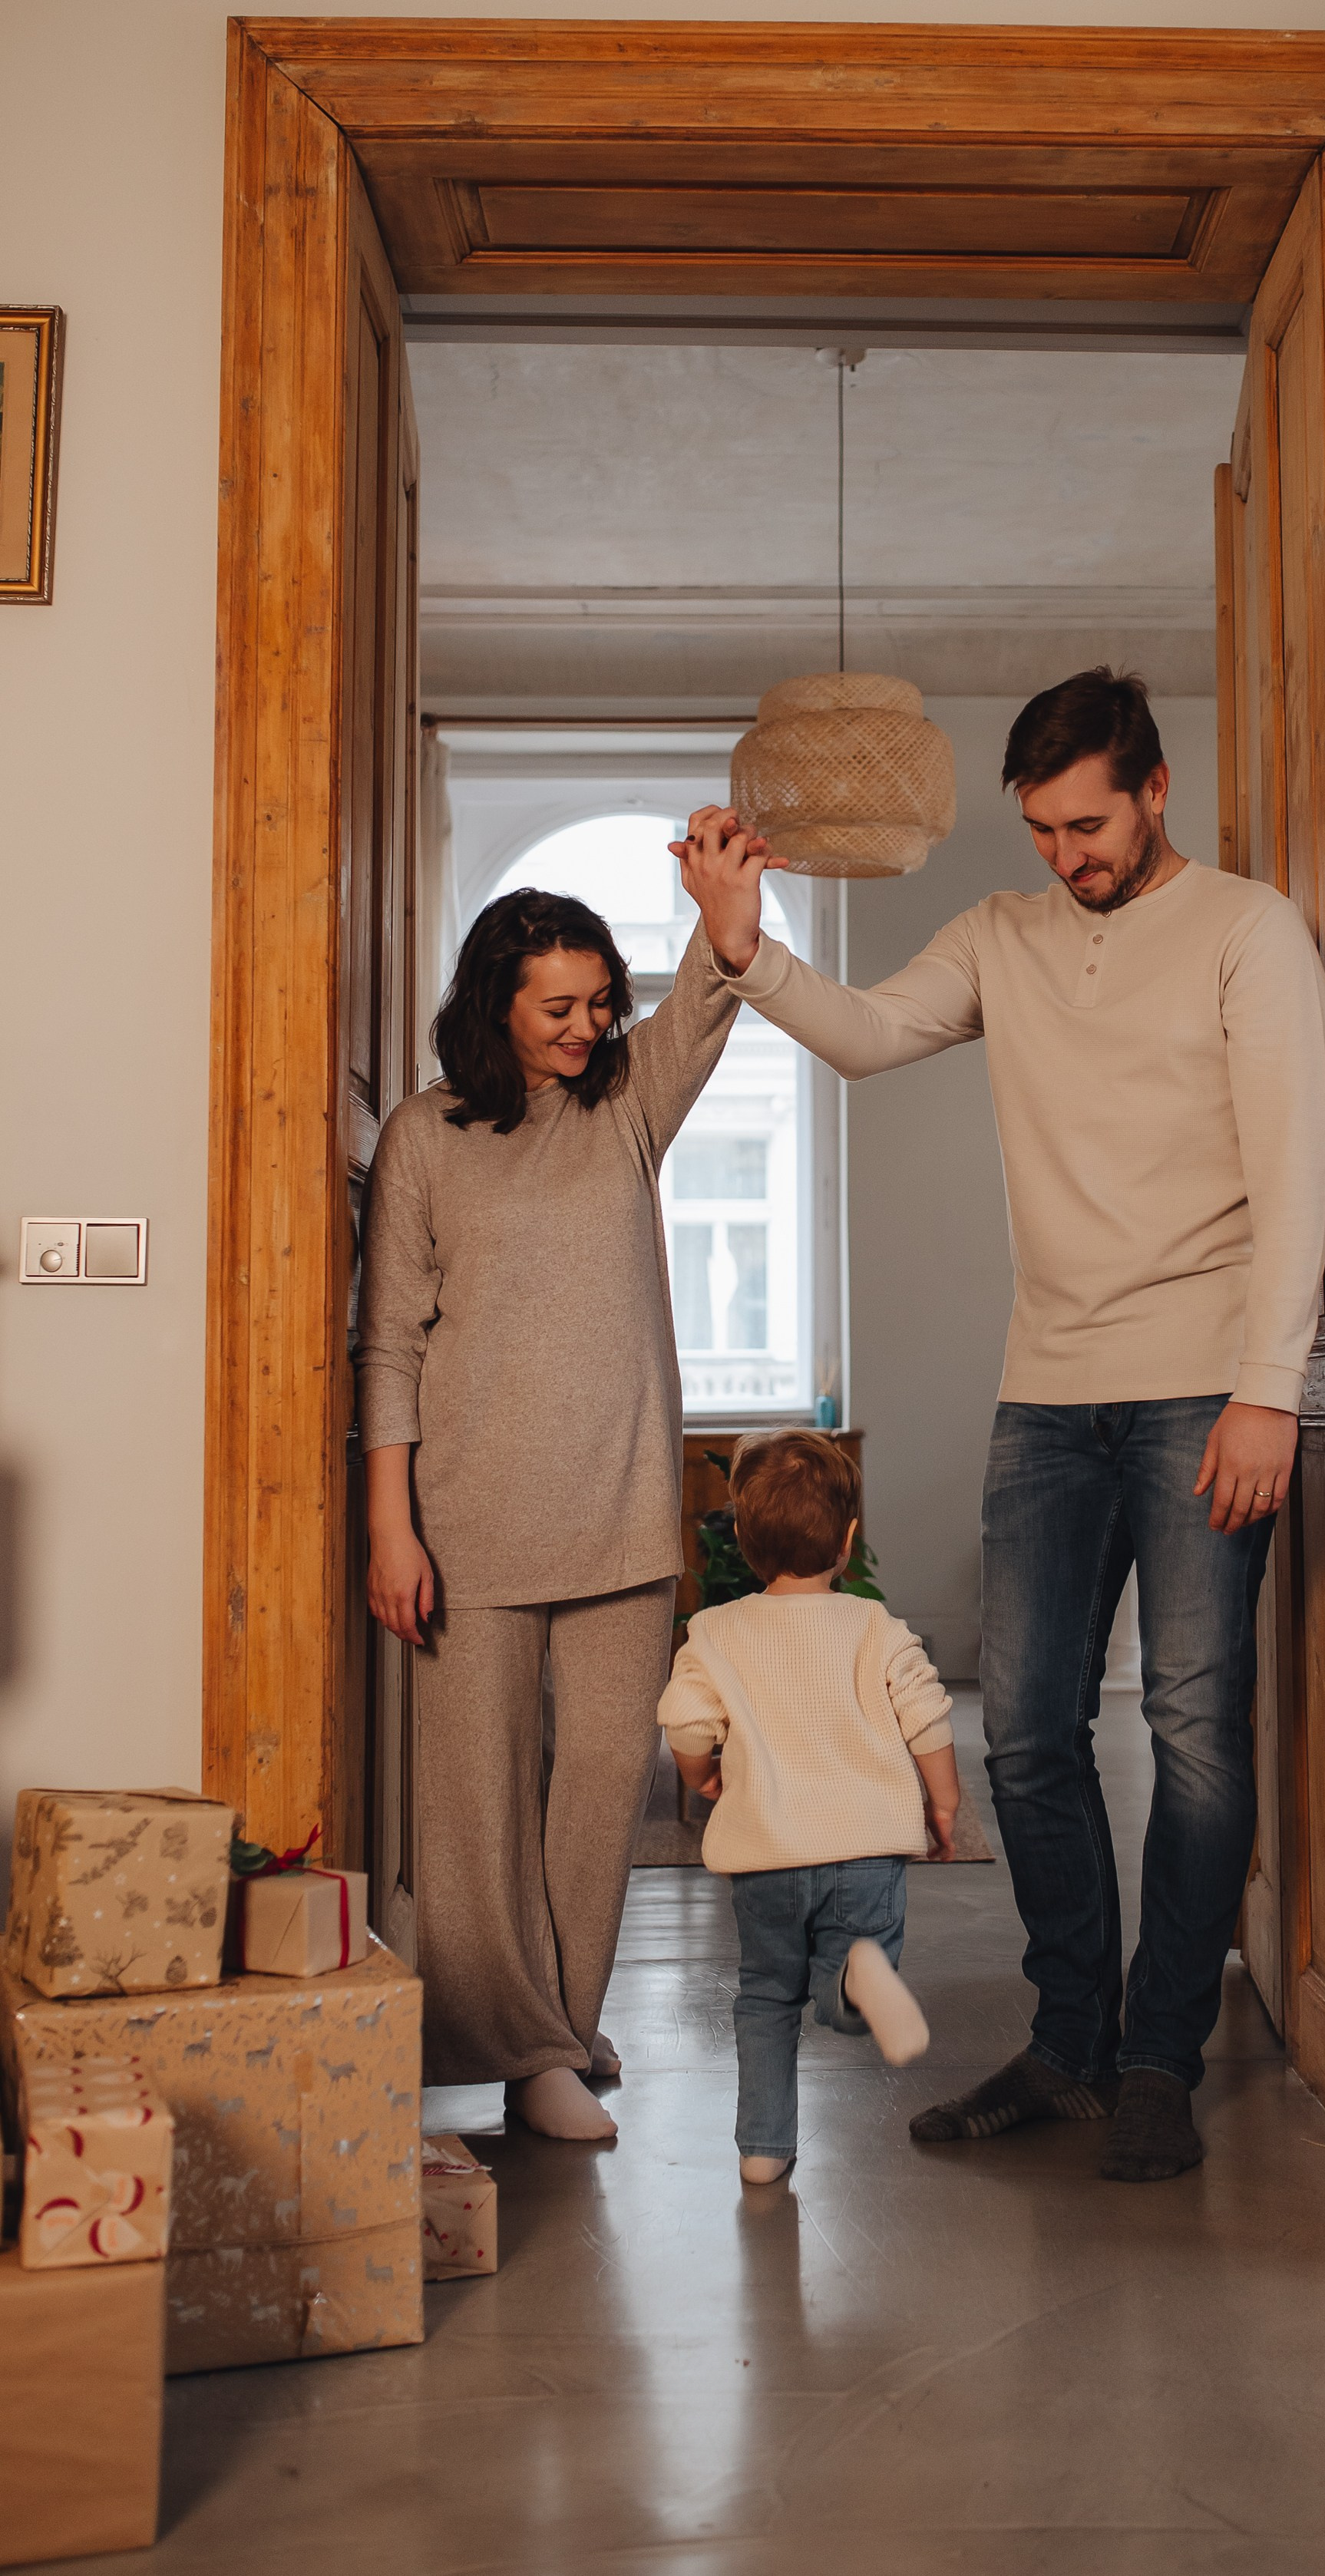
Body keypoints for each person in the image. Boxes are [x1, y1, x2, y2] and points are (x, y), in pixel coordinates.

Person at [673, 668, 1325, 2182]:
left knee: (1189, 1727)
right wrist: (741, 945)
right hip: (1045, 1390)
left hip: (1202, 1387)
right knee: (1027, 1730)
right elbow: (859, 1032)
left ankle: (1163, 2052)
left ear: (1155, 789)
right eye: (1040, 829)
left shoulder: (1247, 932)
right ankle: (1068, 2043)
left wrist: (1267, 1388)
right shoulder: (1001, 937)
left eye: (1087, 824)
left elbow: (1299, 1168)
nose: (1065, 854)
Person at [355, 887, 738, 2140]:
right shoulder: (424, 1135)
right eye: (557, 1008)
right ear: (494, 1006)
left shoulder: (625, 1106)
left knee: (598, 1789)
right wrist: (388, 1525)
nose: (586, 1026)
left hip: (622, 1509)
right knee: (476, 1801)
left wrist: (729, 905)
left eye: (597, 1002)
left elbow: (704, 1006)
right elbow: (389, 1349)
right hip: (470, 1519)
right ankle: (522, 2050)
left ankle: (559, 2034)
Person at [658, 1431, 962, 2185]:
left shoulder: (716, 1633)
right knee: (851, 1962)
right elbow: (926, 1714)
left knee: (763, 1996)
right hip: (864, 1847)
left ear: (743, 1537)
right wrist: (944, 1803)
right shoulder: (874, 1627)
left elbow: (685, 1724)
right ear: (848, 1540)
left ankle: (763, 2146)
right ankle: (855, 1979)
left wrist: (702, 1774)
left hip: (765, 1854)